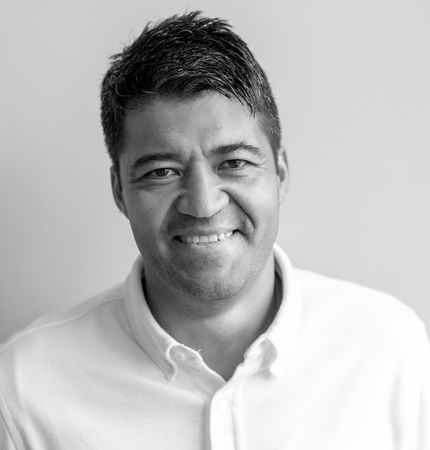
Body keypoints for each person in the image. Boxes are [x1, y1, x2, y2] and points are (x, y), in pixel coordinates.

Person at [0, 11, 429, 450]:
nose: (204, 205)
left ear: (279, 173)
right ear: (119, 191)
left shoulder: (391, 351)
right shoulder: (22, 390)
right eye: (163, 171)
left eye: (235, 163)